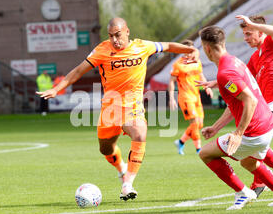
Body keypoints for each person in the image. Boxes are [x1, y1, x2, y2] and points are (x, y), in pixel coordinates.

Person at [37, 17, 199, 201]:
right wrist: (56, 89)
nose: (115, 40)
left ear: (127, 31)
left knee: (140, 134)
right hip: (110, 109)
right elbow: (78, 71)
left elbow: (169, 46)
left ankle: (127, 184)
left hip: (133, 105)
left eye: (118, 35)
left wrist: (191, 49)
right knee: (105, 149)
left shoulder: (142, 46)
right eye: (111, 36)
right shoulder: (102, 50)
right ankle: (121, 168)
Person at [197, 25, 273, 210]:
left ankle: (242, 192)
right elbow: (238, 102)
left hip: (255, 132)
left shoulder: (225, 73)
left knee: (205, 153)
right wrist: (216, 127)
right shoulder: (235, 61)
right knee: (249, 162)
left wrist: (238, 133)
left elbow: (249, 100)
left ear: (207, 48)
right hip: (268, 125)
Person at [168, 39, 213, 155]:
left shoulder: (196, 62)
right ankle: (199, 149)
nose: (189, 53)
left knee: (199, 124)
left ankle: (181, 141)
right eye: (186, 50)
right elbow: (172, 81)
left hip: (196, 96)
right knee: (194, 124)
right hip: (185, 97)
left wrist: (207, 87)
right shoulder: (178, 64)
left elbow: (201, 75)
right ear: (182, 50)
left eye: (191, 50)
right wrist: (172, 98)